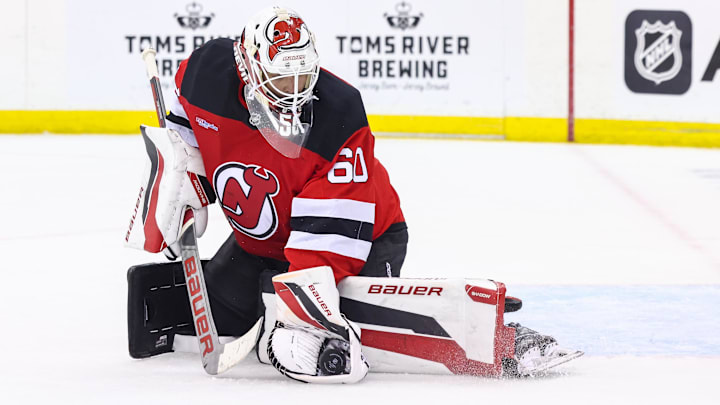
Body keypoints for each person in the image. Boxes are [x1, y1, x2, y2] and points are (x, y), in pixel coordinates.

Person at [126, 5, 580, 383]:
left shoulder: (338, 116)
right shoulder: (207, 72)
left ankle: (496, 339)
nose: (296, 92)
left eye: (304, 77)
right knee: (226, 314)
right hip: (265, 243)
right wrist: (186, 179)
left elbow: (327, 238)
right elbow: (186, 123)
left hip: (362, 240)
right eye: (282, 81)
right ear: (246, 70)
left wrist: (297, 309)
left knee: (322, 338)